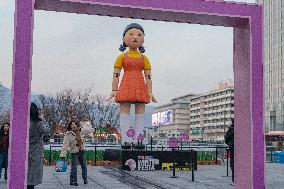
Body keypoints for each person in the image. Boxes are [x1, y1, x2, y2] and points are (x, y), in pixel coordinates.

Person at [109, 23, 157, 146]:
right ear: (124, 38)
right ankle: (126, 139)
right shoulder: (121, 57)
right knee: (124, 111)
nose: (135, 37)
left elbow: (149, 76)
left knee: (140, 112)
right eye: (131, 34)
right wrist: (114, 90)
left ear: (143, 39)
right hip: (126, 85)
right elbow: (116, 74)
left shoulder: (144, 58)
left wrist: (150, 91)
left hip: (140, 86)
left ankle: (139, 139)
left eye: (139, 35)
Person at [60, 120, 95, 186]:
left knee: (84, 166)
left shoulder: (80, 130)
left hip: (82, 151)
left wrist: (94, 129)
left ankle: (85, 179)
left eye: (75, 124)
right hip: (74, 152)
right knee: (74, 167)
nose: (73, 125)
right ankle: (73, 181)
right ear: (70, 126)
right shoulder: (68, 134)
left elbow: (88, 131)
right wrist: (63, 155)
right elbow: (65, 145)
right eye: (72, 124)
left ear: (77, 125)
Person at [27, 102, 52, 189]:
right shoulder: (37, 122)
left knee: (27, 171)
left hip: (25, 149)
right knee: (32, 173)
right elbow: (46, 131)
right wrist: (43, 119)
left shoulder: (24, 121)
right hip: (36, 150)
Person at [225, 118, 234, 184]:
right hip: (233, 148)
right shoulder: (231, 129)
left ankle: (234, 180)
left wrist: (230, 144)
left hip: (233, 148)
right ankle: (235, 180)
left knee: (233, 164)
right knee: (233, 164)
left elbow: (226, 139)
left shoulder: (230, 129)